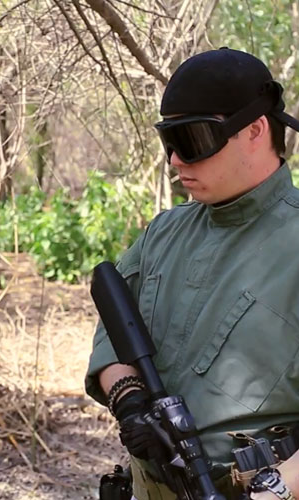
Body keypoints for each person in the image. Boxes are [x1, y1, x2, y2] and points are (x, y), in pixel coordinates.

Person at [86, 48, 299, 500]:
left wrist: (276, 491)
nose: (175, 161)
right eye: (169, 142)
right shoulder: (164, 233)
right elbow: (112, 329)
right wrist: (129, 399)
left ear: (255, 130)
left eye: (192, 140)